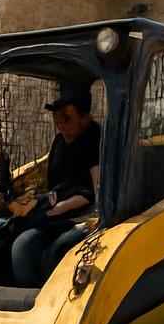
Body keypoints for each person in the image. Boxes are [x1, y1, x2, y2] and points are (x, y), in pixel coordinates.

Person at [9, 87, 100, 287]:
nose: (60, 125)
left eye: (66, 119)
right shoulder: (60, 141)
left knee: (59, 248)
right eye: (57, 120)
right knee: (17, 237)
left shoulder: (95, 141)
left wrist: (62, 208)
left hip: (82, 216)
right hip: (55, 212)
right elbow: (53, 184)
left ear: (84, 119)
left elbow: (95, 191)